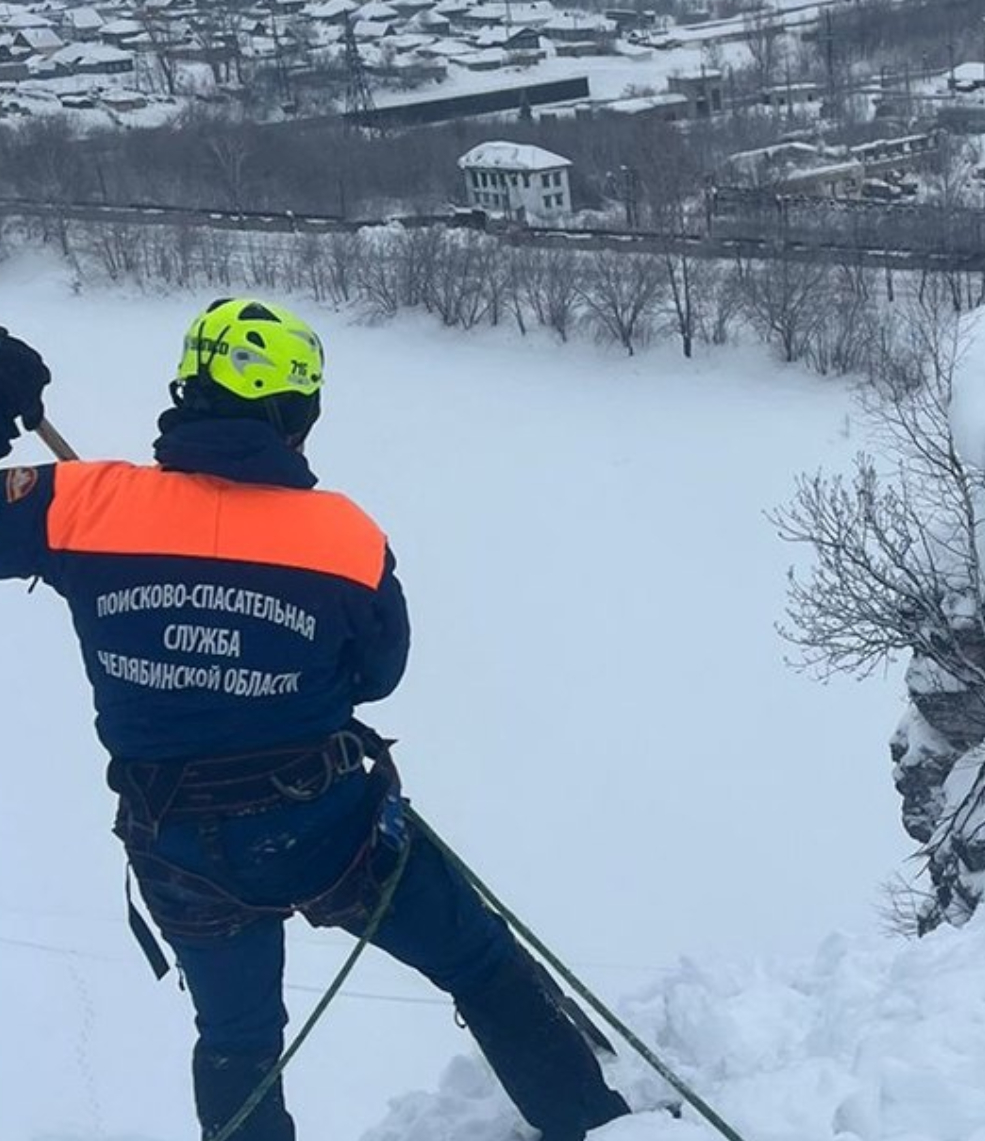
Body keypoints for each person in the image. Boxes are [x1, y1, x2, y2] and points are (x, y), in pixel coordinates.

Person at [0, 302, 628, 1141]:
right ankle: (597, 1124)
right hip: (327, 828)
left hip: (176, 842)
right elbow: (379, 675)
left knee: (237, 1039)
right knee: (478, 961)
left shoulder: (79, 504)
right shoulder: (343, 538)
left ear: (187, 392)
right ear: (295, 417)